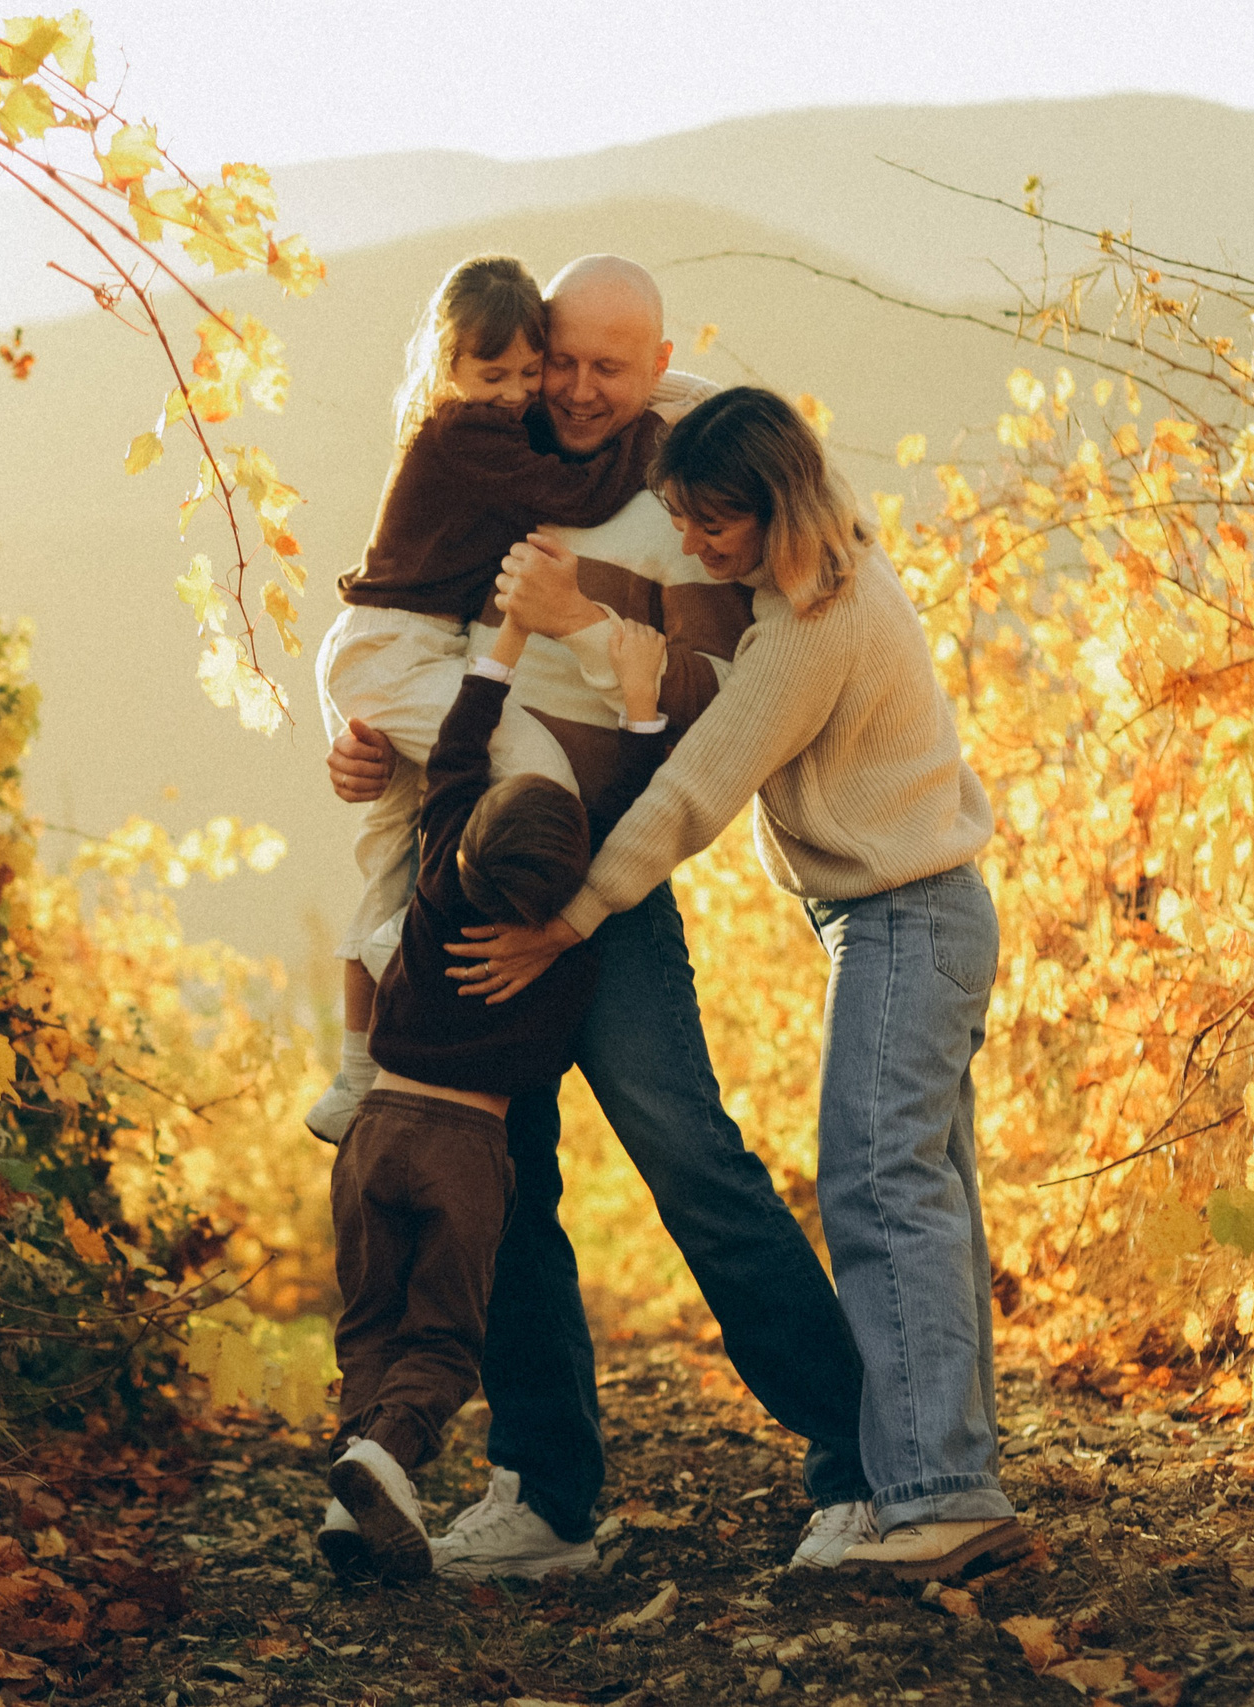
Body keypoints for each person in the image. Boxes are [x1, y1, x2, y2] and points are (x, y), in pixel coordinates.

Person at [324, 259, 877, 1580]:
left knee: (687, 1150)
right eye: (559, 359)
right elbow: (396, 632)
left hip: (607, 888)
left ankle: (864, 1459)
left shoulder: (681, 484)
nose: (572, 388)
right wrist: (351, 745)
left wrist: (590, 612)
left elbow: (701, 690)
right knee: (494, 1174)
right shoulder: (496, 447)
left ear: (658, 366)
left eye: (607, 369)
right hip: (472, 862)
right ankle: (547, 1495)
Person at [461, 386, 1023, 1582]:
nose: (698, 546)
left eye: (715, 524)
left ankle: (935, 1491)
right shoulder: (830, 560)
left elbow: (692, 789)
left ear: (777, 503)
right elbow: (742, 431)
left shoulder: (815, 624)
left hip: (903, 917)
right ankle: (942, 1473)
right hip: (912, 917)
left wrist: (569, 919)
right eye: (683, 517)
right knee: (924, 1193)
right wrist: (628, 395)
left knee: (878, 1188)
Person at [321, 608, 671, 1580]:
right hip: (464, 1159)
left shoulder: (438, 872)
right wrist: (640, 710)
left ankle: (357, 1480)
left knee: (370, 1323)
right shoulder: (558, 951)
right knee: (442, 1339)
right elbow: (626, 821)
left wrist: (506, 644)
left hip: (373, 1136)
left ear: (469, 829)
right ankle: (387, 1456)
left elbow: (463, 744)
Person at [306, 253, 665, 1148]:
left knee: (391, 853)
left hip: (384, 648)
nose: (516, 393)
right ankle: (409, 956)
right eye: (491, 373)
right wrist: (656, 429)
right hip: (393, 649)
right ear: (449, 368)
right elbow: (576, 489)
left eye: (525, 371)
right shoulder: (466, 432)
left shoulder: (492, 423)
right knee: (529, 768)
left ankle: (355, 1074)